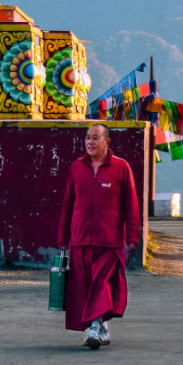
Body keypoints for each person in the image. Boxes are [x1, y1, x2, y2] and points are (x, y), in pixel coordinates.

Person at [58, 123, 141, 350]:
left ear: (107, 142)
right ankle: (102, 327)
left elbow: (131, 206)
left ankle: (94, 327)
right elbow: (68, 205)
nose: (90, 142)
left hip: (109, 240)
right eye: (87, 138)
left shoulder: (121, 168)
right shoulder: (77, 168)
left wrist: (132, 237)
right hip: (81, 239)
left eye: (95, 138)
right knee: (84, 287)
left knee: (100, 284)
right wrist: (63, 239)